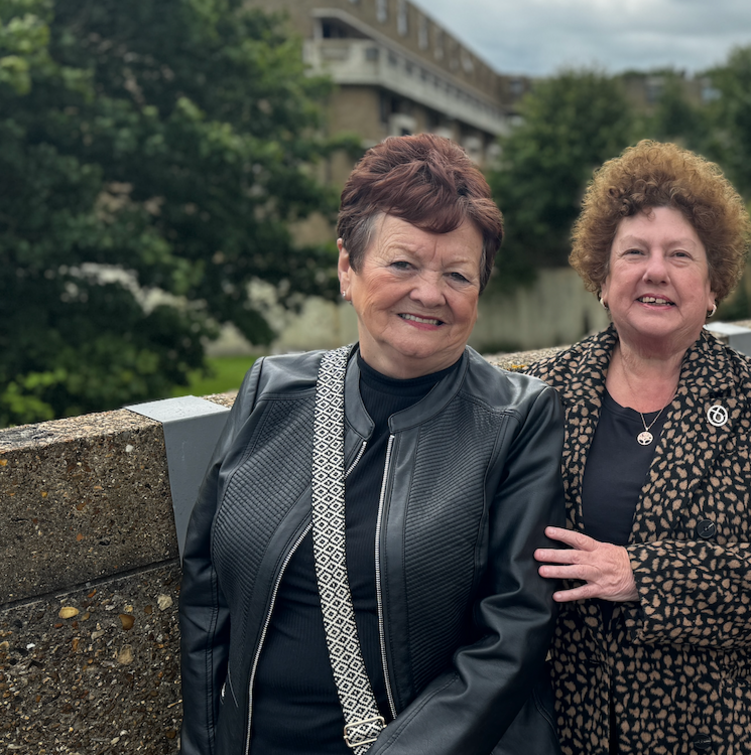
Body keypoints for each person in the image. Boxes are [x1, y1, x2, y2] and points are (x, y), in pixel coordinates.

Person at [179, 134, 565, 755]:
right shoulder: (272, 389)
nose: (430, 292)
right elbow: (207, 593)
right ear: (346, 268)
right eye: (403, 263)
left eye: (457, 274)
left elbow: (513, 631)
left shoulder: (515, 419)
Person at [525, 140, 751, 755]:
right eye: (634, 252)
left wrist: (644, 573)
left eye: (679, 255)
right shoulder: (544, 395)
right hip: (581, 729)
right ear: (603, 275)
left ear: (713, 283)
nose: (655, 271)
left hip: (727, 732)